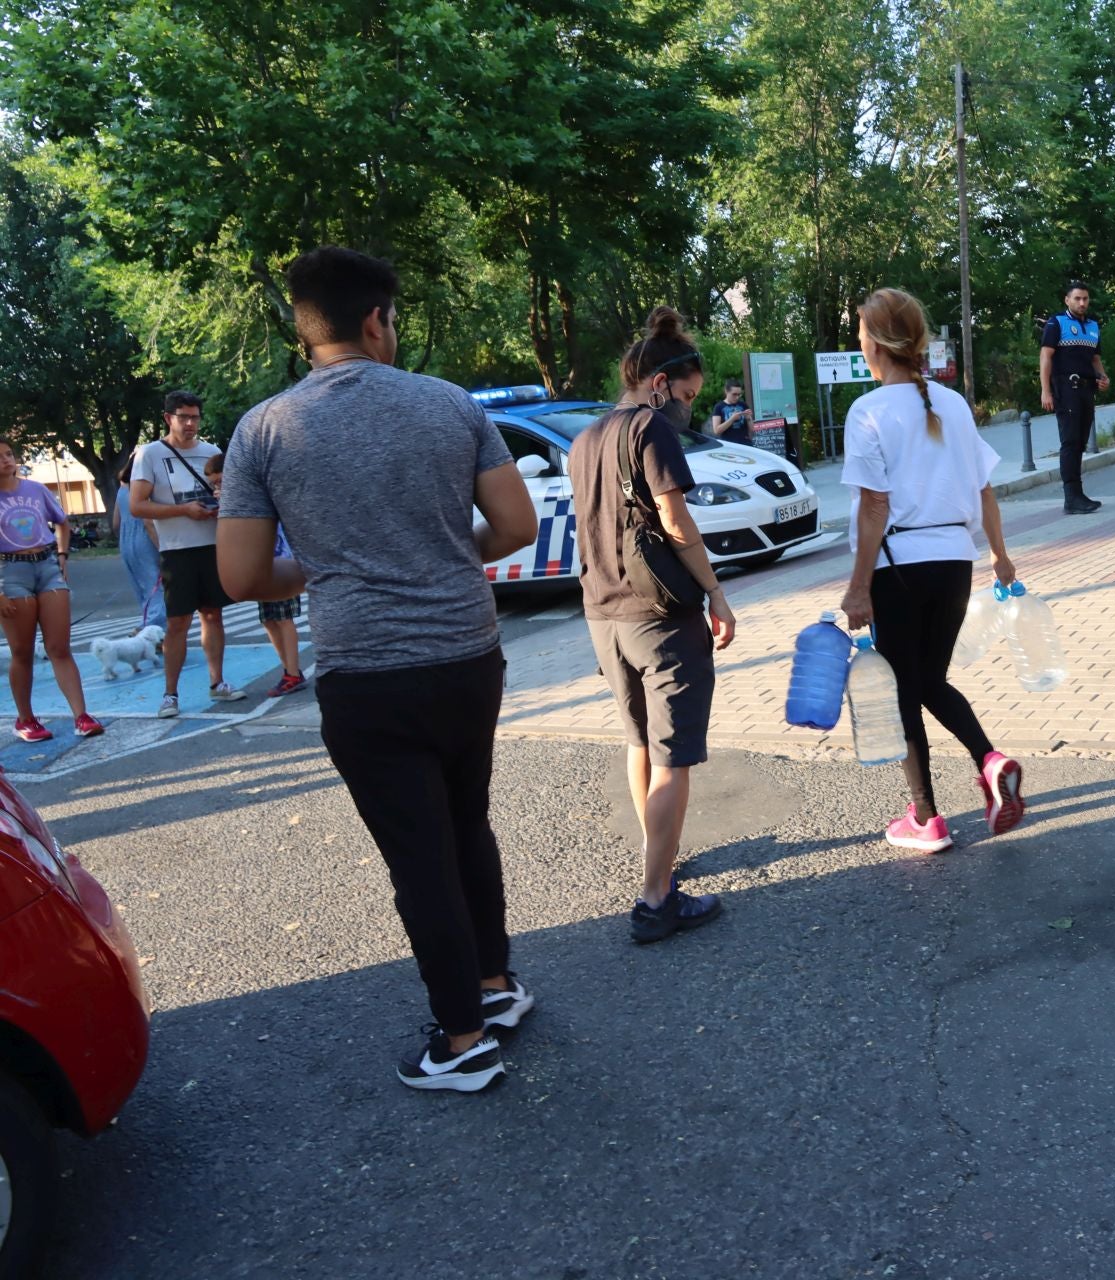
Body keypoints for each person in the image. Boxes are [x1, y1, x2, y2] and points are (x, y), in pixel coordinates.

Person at [217, 246, 539, 1093]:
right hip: (469, 657)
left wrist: (322, 569)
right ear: (375, 320)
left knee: (418, 856)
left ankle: (462, 1040)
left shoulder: (265, 429)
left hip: (367, 672)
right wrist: (441, 555)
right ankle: (495, 986)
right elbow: (514, 527)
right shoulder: (450, 404)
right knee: (467, 823)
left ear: (306, 326)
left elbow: (243, 577)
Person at [841, 288, 1027, 853]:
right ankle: (990, 762)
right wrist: (999, 554)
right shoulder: (951, 404)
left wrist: (856, 587)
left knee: (904, 693)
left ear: (874, 341)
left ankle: (926, 818)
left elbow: (875, 507)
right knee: (928, 681)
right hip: (953, 562)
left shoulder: (867, 412)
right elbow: (985, 489)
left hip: (898, 565)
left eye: (858, 331)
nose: (857, 340)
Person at [571, 307, 734, 944]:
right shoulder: (649, 429)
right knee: (674, 758)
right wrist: (716, 593)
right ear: (660, 383)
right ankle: (656, 898)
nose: (689, 409)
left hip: (601, 614)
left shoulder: (586, 438)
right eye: (688, 396)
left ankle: (656, 860)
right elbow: (675, 522)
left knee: (639, 742)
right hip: (660, 616)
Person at [129, 391, 247, 717]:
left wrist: (222, 503)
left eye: (195, 417)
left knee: (213, 614)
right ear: (169, 418)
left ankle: (218, 682)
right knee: (177, 622)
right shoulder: (149, 454)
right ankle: (170, 694)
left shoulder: (212, 452)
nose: (191, 423)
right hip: (177, 550)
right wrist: (185, 510)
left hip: (213, 545)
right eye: (184, 417)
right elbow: (137, 505)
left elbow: (233, 492)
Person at [0, 441, 103, 742]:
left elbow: (62, 522)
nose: (7, 460)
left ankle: (81, 716)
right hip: (9, 572)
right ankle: (25, 719)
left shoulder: (35, 489)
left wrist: (62, 556)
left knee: (59, 647)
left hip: (45, 565)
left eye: (9, 454)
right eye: (0, 457)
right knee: (22, 651)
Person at [204, 455, 304, 696]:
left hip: (282, 557)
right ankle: (290, 670)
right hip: (259, 561)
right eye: (214, 484)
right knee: (268, 619)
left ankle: (292, 672)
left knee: (284, 617)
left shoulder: (252, 487)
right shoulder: (236, 494)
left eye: (221, 481)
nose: (218, 487)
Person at [1039, 281, 1110, 515]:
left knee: (1080, 442)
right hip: (1066, 388)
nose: (1082, 303)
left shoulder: (1093, 326)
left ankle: (1078, 496)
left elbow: (1095, 359)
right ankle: (1072, 497)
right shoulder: (1057, 323)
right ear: (1067, 300)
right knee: (1070, 442)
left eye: (1085, 299)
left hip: (1087, 390)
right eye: (1077, 298)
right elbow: (1046, 357)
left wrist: (1102, 377)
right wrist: (1045, 391)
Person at [111, 458, 164, 630]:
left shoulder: (122, 489)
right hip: (145, 540)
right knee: (156, 586)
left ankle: (147, 623)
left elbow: (115, 524)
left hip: (126, 541)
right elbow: (148, 522)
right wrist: (162, 549)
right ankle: (153, 629)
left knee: (141, 587)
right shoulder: (142, 489)